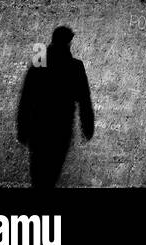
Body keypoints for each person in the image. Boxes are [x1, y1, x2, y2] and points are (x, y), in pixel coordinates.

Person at [16, 26, 95, 189]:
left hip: (38, 127)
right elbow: (84, 100)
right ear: (69, 42)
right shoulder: (75, 66)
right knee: (51, 173)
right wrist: (87, 126)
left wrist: (22, 128)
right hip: (61, 128)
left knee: (38, 174)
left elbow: (27, 97)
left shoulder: (40, 63)